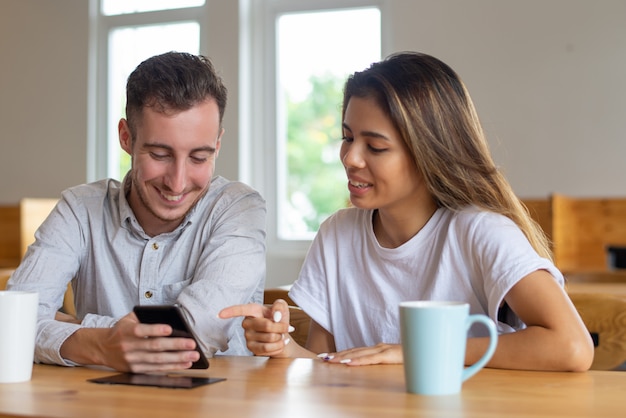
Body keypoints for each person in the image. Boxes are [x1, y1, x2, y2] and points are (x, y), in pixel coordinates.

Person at [219, 51, 594, 371]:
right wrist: (281, 346)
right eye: (348, 137)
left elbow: (573, 347)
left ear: (429, 151)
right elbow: (326, 364)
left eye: (376, 147)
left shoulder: (481, 232)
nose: (350, 158)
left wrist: (417, 353)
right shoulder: (337, 234)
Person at [8, 52, 266, 373]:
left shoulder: (239, 209)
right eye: (160, 154)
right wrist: (103, 344)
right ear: (126, 138)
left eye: (200, 157)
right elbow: (12, 324)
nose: (178, 182)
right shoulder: (79, 209)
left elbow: (196, 333)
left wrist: (80, 326)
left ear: (218, 144)